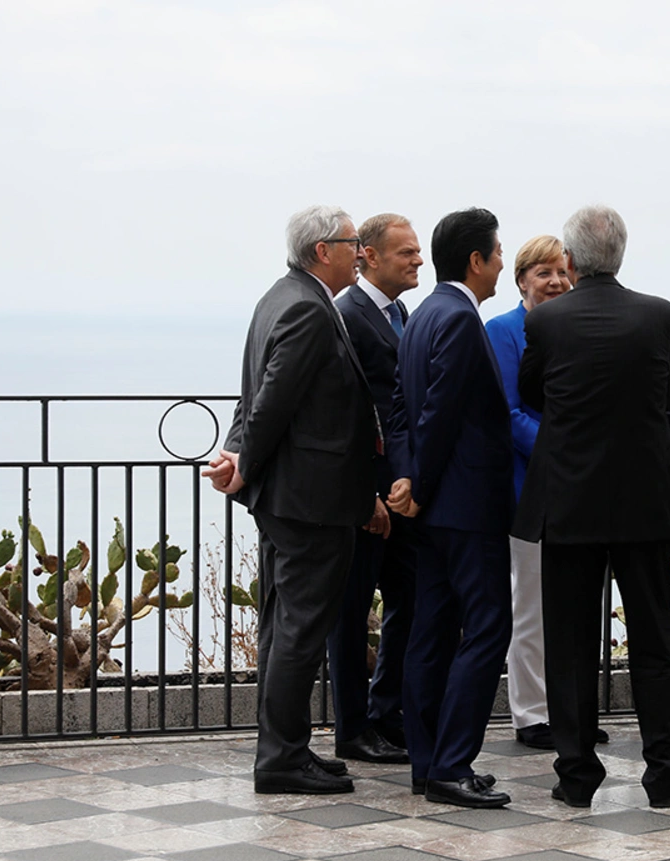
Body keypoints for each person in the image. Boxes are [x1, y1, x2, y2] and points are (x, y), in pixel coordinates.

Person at [515, 205, 670, 808]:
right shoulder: (657, 314)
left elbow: (528, 391)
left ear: (570, 259)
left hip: (568, 501)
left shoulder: (547, 322)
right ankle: (665, 774)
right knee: (652, 639)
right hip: (643, 499)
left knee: (568, 645)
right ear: (621, 253)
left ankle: (576, 776)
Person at [203, 205, 384, 795]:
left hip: (290, 499)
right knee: (299, 632)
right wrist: (244, 459)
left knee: (283, 628)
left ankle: (288, 748)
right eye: (352, 243)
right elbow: (271, 399)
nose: (360, 252)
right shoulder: (307, 307)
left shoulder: (279, 298)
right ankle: (282, 760)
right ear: (321, 251)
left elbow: (250, 396)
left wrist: (235, 454)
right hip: (311, 502)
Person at [386, 207, 515, 808]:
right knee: (488, 626)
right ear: (476, 260)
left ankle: (427, 761)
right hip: (466, 505)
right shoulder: (460, 319)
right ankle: (453, 762)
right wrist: (422, 477)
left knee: (430, 632)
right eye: (496, 254)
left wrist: (407, 476)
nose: (499, 266)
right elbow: (437, 412)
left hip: (432, 508)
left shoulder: (421, 316)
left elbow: (398, 406)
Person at [328, 213, 422, 765]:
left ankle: (387, 714)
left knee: (406, 603)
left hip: (402, 495)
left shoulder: (399, 312)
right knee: (351, 612)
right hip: (368, 499)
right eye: (405, 252)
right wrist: (367, 496)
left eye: (416, 252)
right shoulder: (349, 316)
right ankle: (352, 730)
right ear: (367, 255)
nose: (416, 260)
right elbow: (350, 415)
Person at [484, 235, 576, 750]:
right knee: (533, 609)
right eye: (544, 273)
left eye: (562, 272)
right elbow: (508, 412)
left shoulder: (575, 325)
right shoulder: (501, 331)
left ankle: (570, 710)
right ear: (522, 280)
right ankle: (532, 714)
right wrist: (565, 452)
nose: (556, 282)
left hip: (581, 491)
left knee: (572, 608)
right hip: (529, 488)